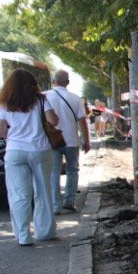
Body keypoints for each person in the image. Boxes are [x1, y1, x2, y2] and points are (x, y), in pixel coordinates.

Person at [0, 69, 59, 246]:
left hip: (15, 151)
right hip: (40, 150)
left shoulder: (5, 103)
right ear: (33, 84)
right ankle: (45, 232)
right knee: (43, 192)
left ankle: (23, 236)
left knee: (19, 194)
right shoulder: (41, 100)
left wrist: (14, 134)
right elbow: (53, 121)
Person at [44, 70, 91, 213]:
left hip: (52, 140)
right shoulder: (76, 98)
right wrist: (86, 140)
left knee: (54, 172)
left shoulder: (44, 96)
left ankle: (55, 205)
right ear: (68, 82)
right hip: (71, 140)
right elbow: (82, 122)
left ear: (53, 81)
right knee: (72, 170)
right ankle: (69, 201)